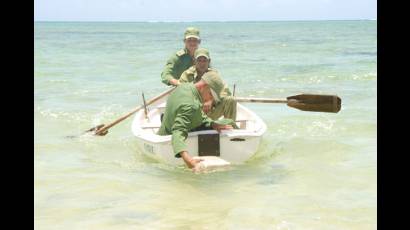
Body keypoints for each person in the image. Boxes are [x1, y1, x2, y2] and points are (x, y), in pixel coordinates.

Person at [157, 71, 236, 170]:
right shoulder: (190, 105)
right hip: (167, 140)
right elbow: (178, 132)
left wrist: (211, 124)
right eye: (212, 96)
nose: (211, 99)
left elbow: (199, 113)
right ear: (204, 86)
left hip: (164, 129)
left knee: (228, 123)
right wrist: (189, 161)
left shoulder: (185, 87)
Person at [179, 48, 237, 120]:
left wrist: (212, 100)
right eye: (199, 60)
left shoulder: (213, 75)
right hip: (193, 112)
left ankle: (230, 126)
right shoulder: (187, 75)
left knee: (230, 100)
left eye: (204, 61)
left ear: (209, 61)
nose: (202, 63)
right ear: (194, 61)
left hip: (211, 112)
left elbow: (225, 92)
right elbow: (181, 94)